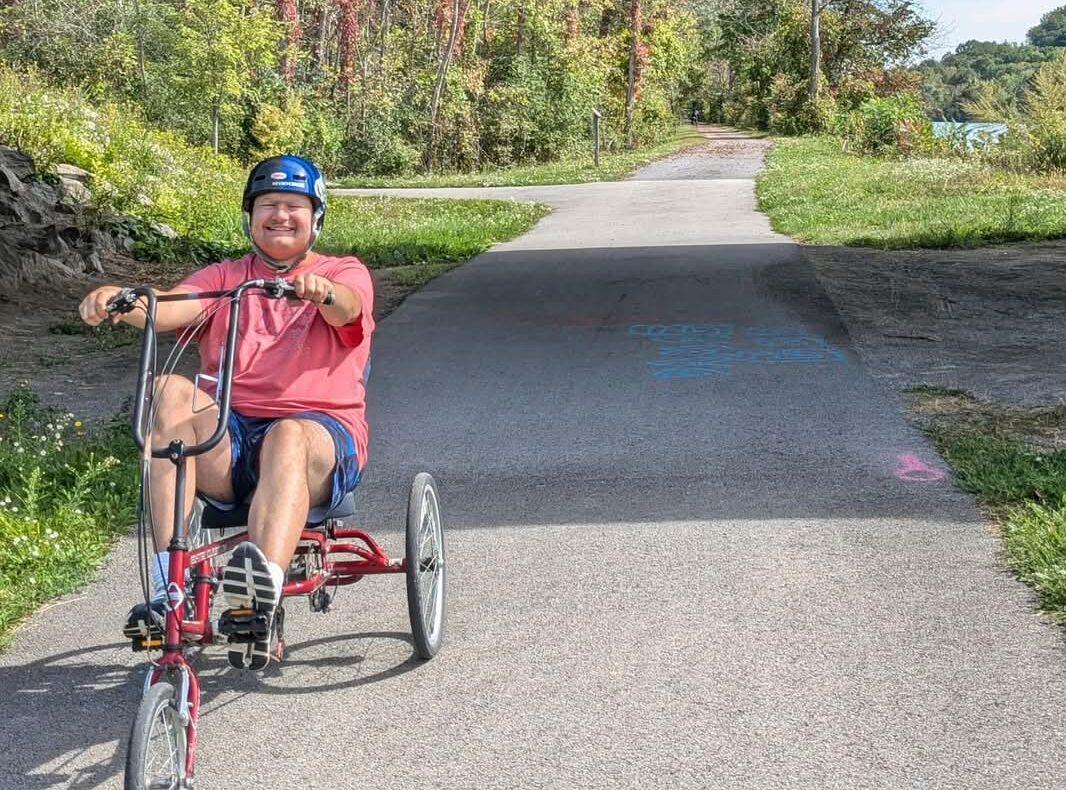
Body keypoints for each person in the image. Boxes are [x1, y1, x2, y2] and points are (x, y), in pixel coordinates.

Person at [78, 154, 375, 670]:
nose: (280, 215)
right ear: (250, 216)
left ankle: (257, 600)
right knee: (169, 387)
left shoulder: (341, 271)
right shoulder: (227, 277)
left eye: (293, 206)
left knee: (288, 434)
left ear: (316, 216)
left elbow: (348, 307)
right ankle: (169, 584)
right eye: (267, 205)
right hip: (232, 441)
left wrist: (322, 291)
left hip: (319, 439)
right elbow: (173, 306)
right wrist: (119, 300)